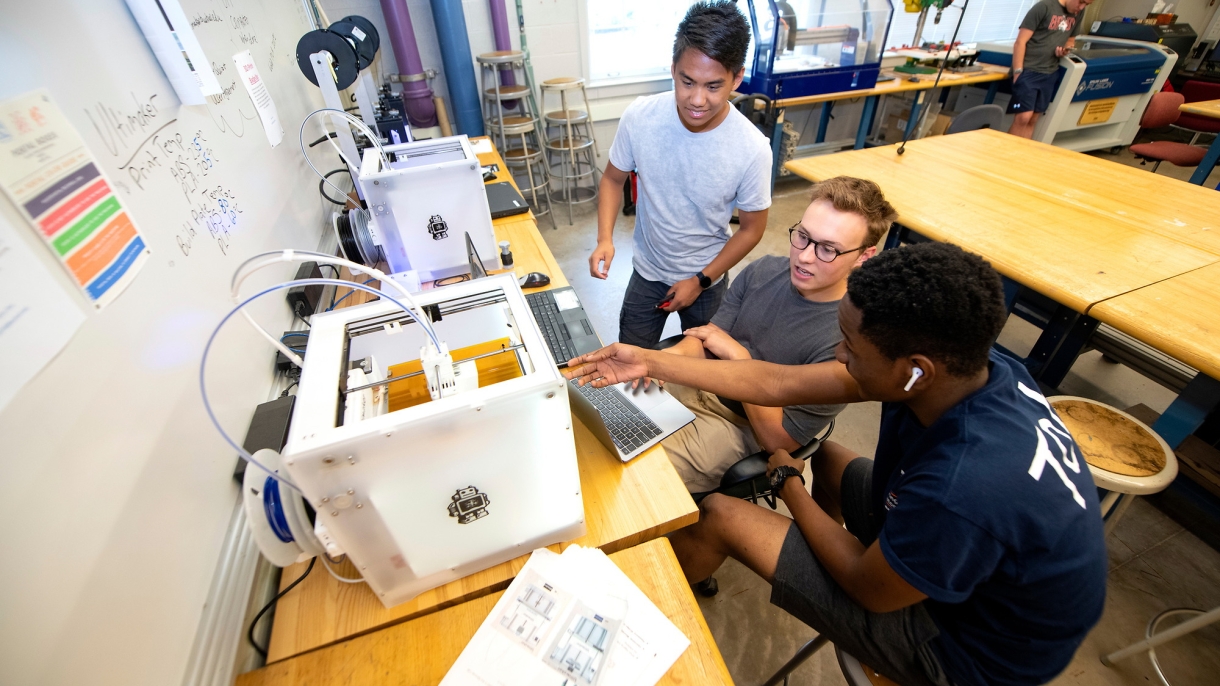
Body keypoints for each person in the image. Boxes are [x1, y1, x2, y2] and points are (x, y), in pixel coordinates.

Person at [566, 243, 1108, 686]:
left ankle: (632, 633)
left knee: (722, 514)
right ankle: (822, 542)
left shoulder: (964, 487)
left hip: (962, 646)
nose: (839, 356)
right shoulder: (969, 369)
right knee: (825, 454)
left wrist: (788, 484)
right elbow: (776, 381)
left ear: (914, 372)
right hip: (961, 549)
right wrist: (648, 359)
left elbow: (866, 585)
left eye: (848, 346)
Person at [659, 176, 896, 493]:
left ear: (863, 257)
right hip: (699, 380)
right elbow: (706, 337)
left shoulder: (850, 341)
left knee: (636, 473)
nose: (805, 256)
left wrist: (739, 357)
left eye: (828, 249)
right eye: (802, 236)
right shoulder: (764, 270)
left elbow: (777, 441)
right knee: (602, 422)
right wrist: (662, 362)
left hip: (737, 426)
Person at [590, 1, 773, 347]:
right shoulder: (640, 117)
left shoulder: (752, 148)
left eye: (714, 86)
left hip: (707, 279)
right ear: (673, 68)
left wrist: (701, 280)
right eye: (687, 81)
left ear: (737, 78)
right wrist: (604, 238)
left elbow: (752, 229)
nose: (697, 99)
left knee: (709, 375)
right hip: (648, 272)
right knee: (631, 365)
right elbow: (613, 179)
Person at [1008, 0, 1094, 139]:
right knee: (1024, 116)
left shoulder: (1079, 12)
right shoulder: (1044, 7)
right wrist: (1018, 72)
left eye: (1087, 5)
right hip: (1028, 69)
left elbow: (1070, 40)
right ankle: (1006, 153)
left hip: (1049, 71)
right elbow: (1020, 42)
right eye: (1081, 2)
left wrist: (1065, 50)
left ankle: (1020, 155)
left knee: (1034, 118)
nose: (1082, 7)